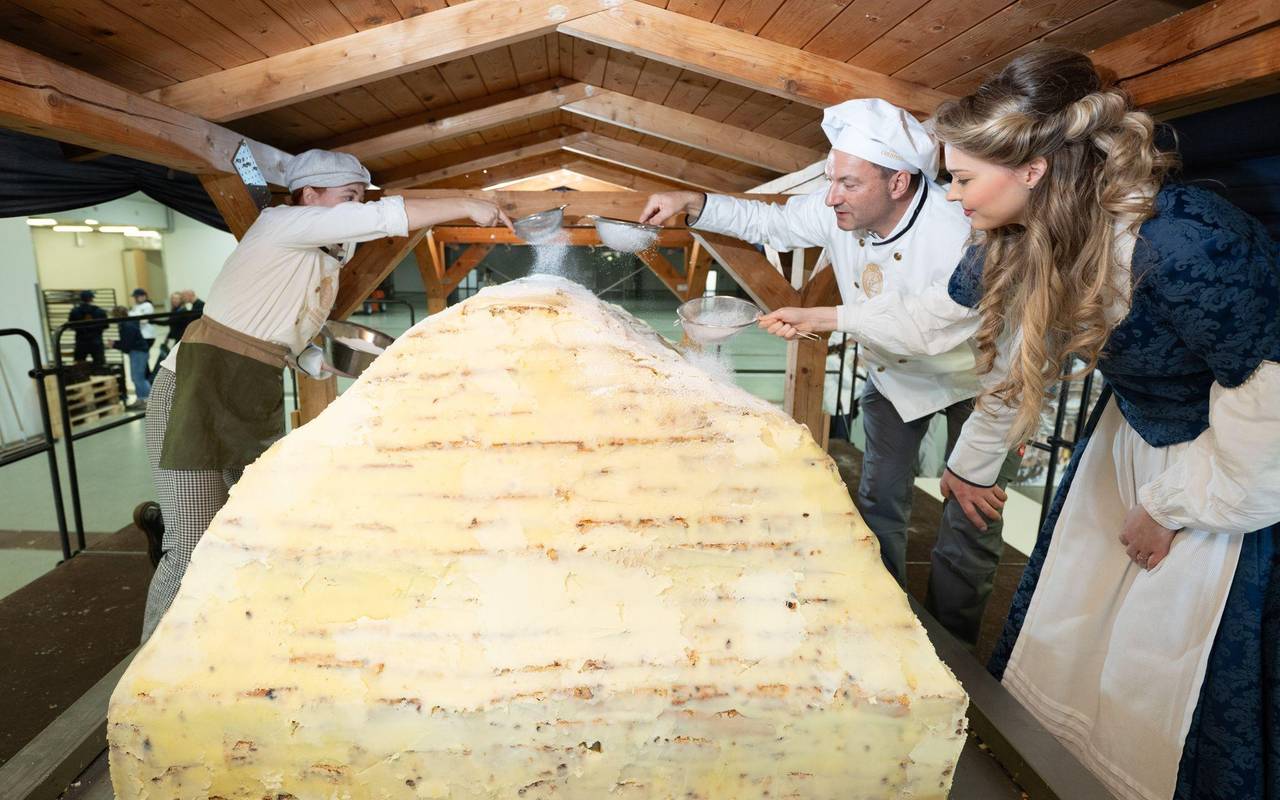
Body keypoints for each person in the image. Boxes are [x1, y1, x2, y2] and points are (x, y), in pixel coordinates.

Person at [918, 47, 1279, 799]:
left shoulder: (1181, 242)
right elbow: (1007, 357)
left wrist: (1170, 508)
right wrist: (969, 464)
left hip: (1229, 473)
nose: (952, 197)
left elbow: (1267, 402)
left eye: (961, 179)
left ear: (1034, 170)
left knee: (1163, 661)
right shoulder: (1026, 237)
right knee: (1078, 633)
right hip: (1128, 441)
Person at [639, 99, 1021, 647]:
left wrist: (824, 316)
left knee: (971, 520)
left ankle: (952, 648)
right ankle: (887, 629)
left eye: (848, 183)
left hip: (983, 381)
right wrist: (693, 202)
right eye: (831, 180)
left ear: (898, 183)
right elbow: (772, 220)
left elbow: (930, 324)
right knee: (878, 504)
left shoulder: (958, 227)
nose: (831, 196)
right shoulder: (838, 209)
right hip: (893, 378)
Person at [137, 149, 512, 641]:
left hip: (246, 397)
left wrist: (340, 362)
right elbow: (384, 216)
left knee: (237, 529)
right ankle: (151, 662)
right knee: (190, 543)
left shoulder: (324, 258)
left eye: (360, 197)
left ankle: (213, 639)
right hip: (192, 395)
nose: (358, 207)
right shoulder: (282, 223)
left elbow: (282, 340)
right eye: (349, 198)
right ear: (310, 197)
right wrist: (468, 203)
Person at [107, 305, 150, 410]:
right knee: (136, 378)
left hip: (138, 352)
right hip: (137, 352)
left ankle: (149, 400)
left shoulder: (127, 326)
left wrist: (114, 344)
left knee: (138, 378)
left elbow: (127, 344)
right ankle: (141, 399)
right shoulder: (127, 323)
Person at [68, 289, 107, 368]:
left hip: (81, 341)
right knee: (99, 365)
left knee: (80, 365)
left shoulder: (74, 311)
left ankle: (82, 378)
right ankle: (99, 378)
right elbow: (105, 326)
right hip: (96, 342)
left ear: (81, 299)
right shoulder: (100, 311)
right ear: (92, 299)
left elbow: (71, 326)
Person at [129, 288, 157, 366]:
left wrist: (134, 320)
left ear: (143, 296)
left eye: (136, 297)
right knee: (141, 359)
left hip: (147, 335)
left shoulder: (148, 306)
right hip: (140, 335)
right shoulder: (136, 306)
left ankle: (147, 376)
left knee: (143, 358)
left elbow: (144, 321)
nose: (135, 299)